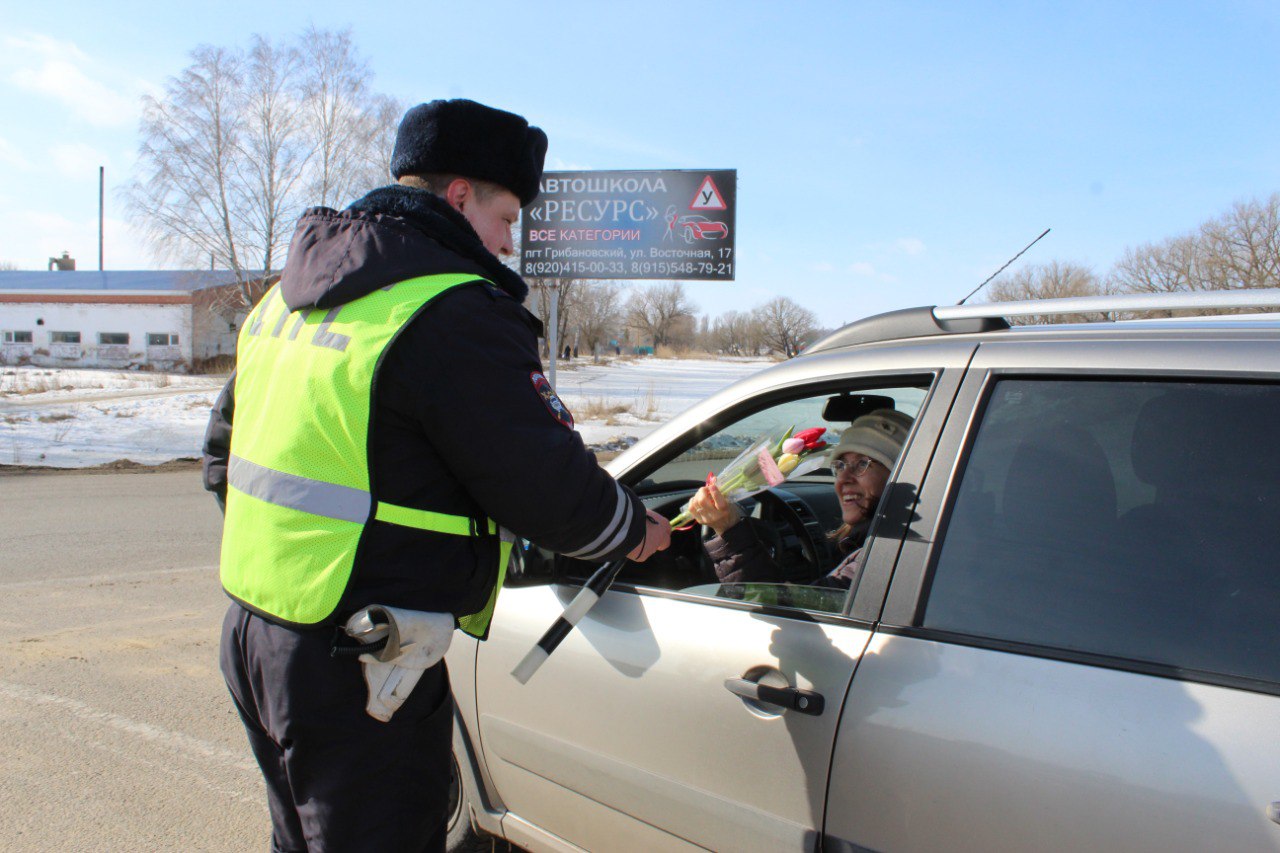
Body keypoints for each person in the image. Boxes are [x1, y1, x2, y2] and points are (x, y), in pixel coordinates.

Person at [202, 98, 670, 852]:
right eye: (507, 217)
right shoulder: (449, 308)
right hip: (359, 657)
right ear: (459, 197)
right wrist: (631, 526)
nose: (510, 243)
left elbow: (224, 457)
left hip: (255, 633)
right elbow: (545, 485)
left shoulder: (283, 302)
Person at [686, 409, 912, 589]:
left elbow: (790, 614)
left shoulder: (888, 558)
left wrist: (730, 532)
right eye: (840, 465)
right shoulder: (879, 543)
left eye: (862, 463)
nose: (843, 479)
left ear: (900, 474)